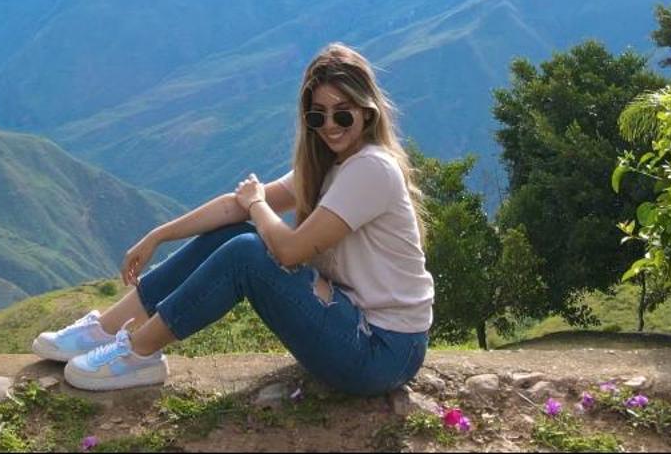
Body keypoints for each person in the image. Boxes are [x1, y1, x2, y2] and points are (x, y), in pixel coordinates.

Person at [32, 43, 432, 394]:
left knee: (246, 251)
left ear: (367, 111)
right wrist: (159, 234)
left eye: (342, 115)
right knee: (237, 233)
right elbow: (234, 207)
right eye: (318, 116)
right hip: (353, 324)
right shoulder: (331, 165)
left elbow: (289, 251)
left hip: (382, 351)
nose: (329, 126)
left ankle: (138, 354)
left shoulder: (371, 169)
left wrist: (258, 204)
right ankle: (105, 328)